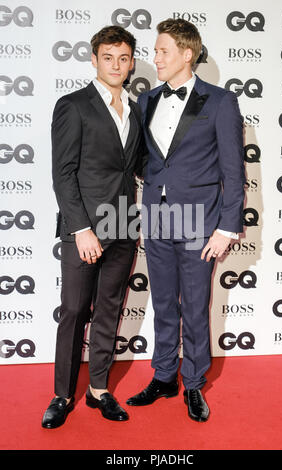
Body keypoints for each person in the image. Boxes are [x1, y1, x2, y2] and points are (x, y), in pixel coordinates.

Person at [126, 18, 245, 422]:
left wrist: (226, 228)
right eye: (155, 51)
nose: (154, 59)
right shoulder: (147, 101)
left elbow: (233, 170)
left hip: (201, 223)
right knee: (163, 304)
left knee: (194, 307)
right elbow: (147, 158)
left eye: (162, 51)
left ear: (186, 54)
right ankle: (164, 376)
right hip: (158, 219)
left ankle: (193, 383)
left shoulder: (220, 102)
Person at [42, 25, 145, 428]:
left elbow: (135, 167)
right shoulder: (73, 105)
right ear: (94, 59)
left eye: (123, 58)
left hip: (124, 224)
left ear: (132, 62)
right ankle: (62, 394)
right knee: (73, 311)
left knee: (109, 310)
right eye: (108, 57)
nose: (116, 65)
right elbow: (63, 173)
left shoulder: (136, 109)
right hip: (85, 228)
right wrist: (82, 228)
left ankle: (99, 390)